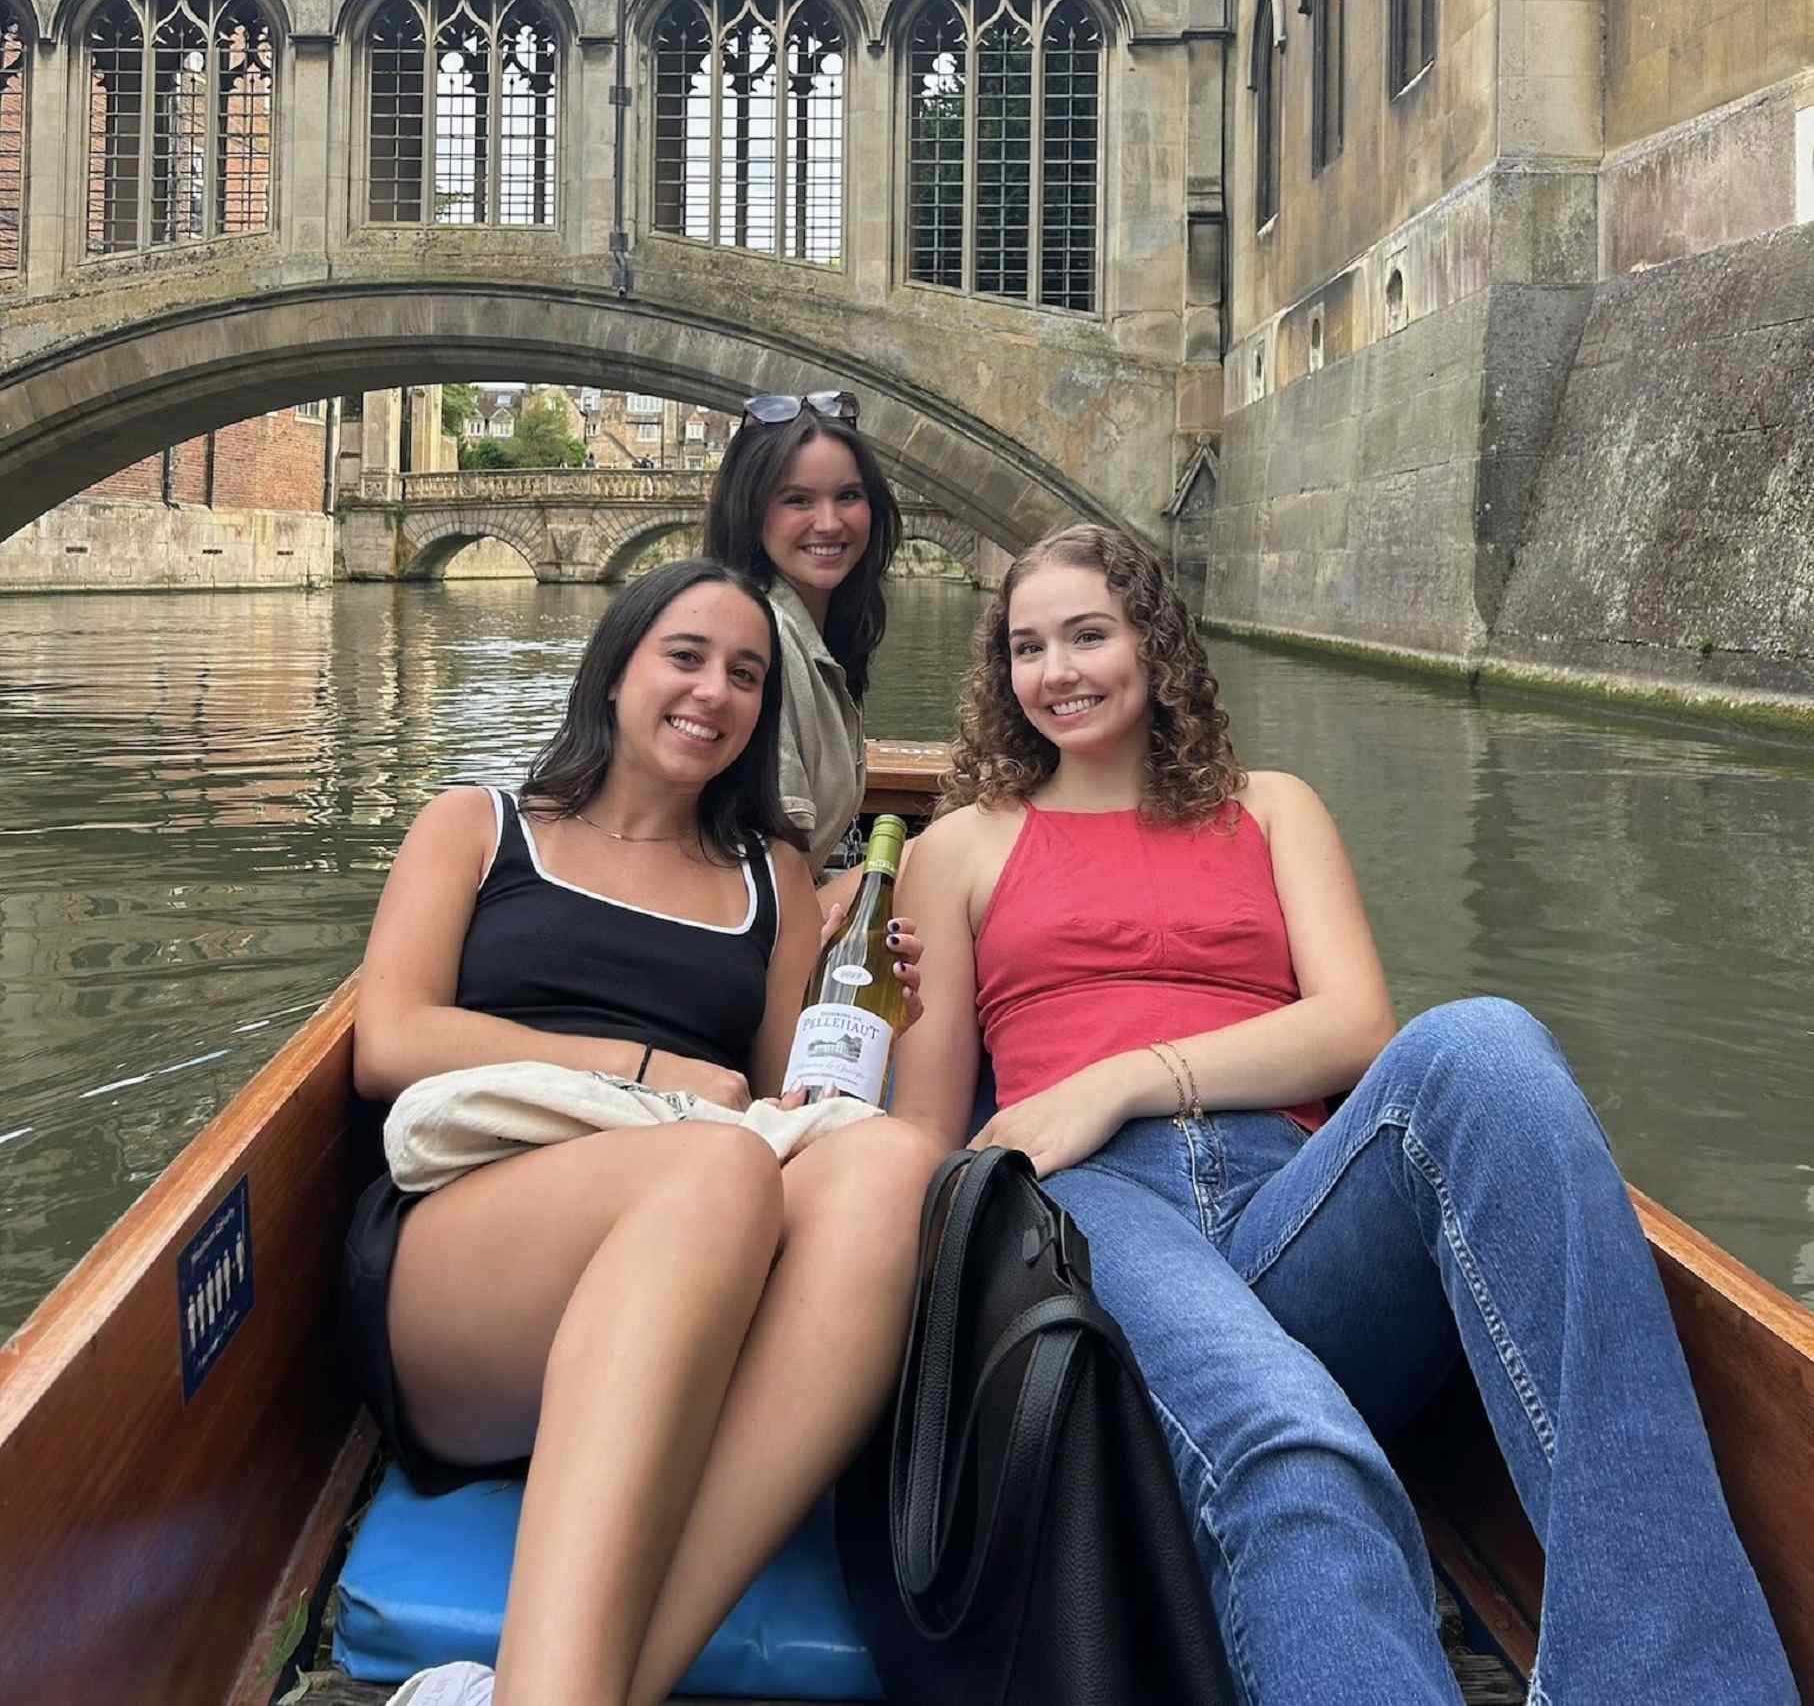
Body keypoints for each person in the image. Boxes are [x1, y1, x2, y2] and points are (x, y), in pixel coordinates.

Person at [891, 524, 1796, 1706]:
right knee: (1298, 1451)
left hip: (1295, 1204)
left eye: (1086, 634)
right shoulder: (957, 847)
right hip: (1089, 1213)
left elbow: (1357, 1027)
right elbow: (924, 1139)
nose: (1055, 668)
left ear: (1153, 646)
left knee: (1480, 1040)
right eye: (1025, 646)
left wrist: (1117, 1077)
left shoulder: (1269, 808)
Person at [341, 558, 943, 1706]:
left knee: (889, 1165)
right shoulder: (480, 826)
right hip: (472, 1260)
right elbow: (392, 1037)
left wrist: (873, 1015)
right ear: (615, 668)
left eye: (746, 675)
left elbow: (786, 1106)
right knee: (709, 1167)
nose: (714, 691)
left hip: (691, 1247)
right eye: (685, 656)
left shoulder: (771, 875)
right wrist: (646, 1072)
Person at [705, 391, 903, 920]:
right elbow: (762, 890)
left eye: (847, 496)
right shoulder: (760, 638)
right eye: (796, 500)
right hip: (748, 941)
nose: (829, 523)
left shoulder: (817, 635)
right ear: (750, 511)